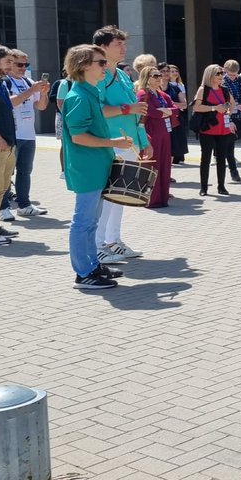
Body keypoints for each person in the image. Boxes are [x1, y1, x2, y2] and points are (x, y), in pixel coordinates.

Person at [61, 44, 134, 288]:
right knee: (83, 222)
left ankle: (92, 265)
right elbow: (78, 136)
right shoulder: (79, 97)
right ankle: (83, 273)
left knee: (91, 222)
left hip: (96, 166)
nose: (106, 66)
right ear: (83, 66)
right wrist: (113, 143)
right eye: (100, 62)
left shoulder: (89, 92)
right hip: (87, 169)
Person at [92, 26, 152, 262]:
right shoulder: (98, 75)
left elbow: (138, 113)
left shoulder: (123, 75)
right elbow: (97, 110)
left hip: (129, 143)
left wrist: (144, 141)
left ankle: (113, 241)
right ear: (103, 47)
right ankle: (97, 246)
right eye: (118, 44)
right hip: (110, 143)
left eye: (124, 43)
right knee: (106, 197)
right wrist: (127, 108)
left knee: (120, 196)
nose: (124, 48)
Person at [0, 48, 48, 220]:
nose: (23, 68)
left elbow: (41, 106)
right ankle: (2, 207)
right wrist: (31, 91)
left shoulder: (28, 82)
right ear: (10, 64)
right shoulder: (5, 82)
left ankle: (24, 205)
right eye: (19, 64)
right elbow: (9, 103)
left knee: (25, 171)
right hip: (12, 134)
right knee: (6, 172)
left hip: (28, 134)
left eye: (26, 65)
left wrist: (43, 93)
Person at [191, 64, 237, 197]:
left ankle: (221, 186)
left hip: (223, 129)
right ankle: (203, 187)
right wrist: (214, 108)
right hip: (207, 129)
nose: (221, 76)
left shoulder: (224, 90)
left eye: (222, 73)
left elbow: (232, 104)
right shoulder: (203, 90)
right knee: (205, 159)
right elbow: (196, 107)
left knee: (222, 158)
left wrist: (227, 112)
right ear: (210, 75)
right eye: (218, 73)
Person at [135, 66, 174, 208]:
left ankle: (163, 197)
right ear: (147, 78)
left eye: (159, 75)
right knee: (153, 165)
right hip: (151, 133)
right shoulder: (143, 93)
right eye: (155, 76)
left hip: (164, 132)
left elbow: (175, 109)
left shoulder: (161, 94)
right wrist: (163, 112)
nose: (159, 78)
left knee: (165, 165)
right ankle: (152, 199)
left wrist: (165, 111)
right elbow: (148, 112)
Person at [0, 45, 18, 246]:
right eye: (7, 62)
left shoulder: (0, 82)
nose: (11, 66)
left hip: (7, 146)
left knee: (1, 189)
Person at [164, 64, 189, 165]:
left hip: (176, 115)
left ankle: (178, 157)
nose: (174, 73)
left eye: (176, 71)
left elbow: (184, 104)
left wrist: (170, 104)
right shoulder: (158, 87)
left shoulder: (178, 86)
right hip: (163, 117)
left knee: (177, 138)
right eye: (172, 71)